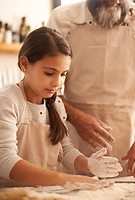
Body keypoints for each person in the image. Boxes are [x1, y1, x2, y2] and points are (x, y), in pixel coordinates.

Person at [47, 0, 135, 178]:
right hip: (71, 139)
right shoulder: (61, 19)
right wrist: (77, 118)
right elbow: (43, 88)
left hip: (129, 142)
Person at [0, 27, 122, 187]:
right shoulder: (8, 99)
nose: (57, 83)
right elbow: (5, 159)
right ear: (25, 64)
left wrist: (88, 164)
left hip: (45, 195)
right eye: (50, 73)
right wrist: (68, 179)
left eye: (63, 74)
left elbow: (65, 149)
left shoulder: (55, 104)